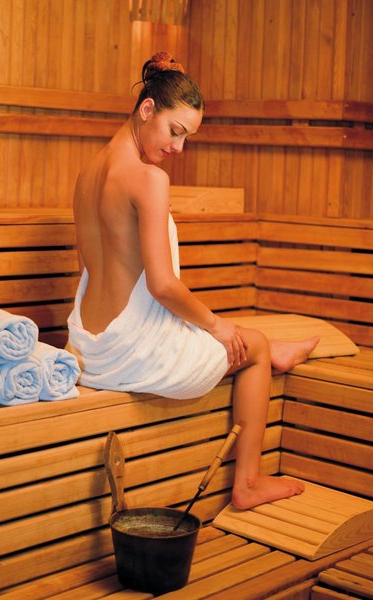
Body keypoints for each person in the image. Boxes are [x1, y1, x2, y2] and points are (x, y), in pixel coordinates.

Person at [67, 52, 319, 510]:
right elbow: (162, 286)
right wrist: (219, 326)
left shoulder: (87, 173)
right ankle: (248, 484)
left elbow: (91, 264)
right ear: (147, 109)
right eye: (175, 131)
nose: (178, 148)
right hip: (133, 357)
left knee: (240, 337)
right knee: (253, 346)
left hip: (89, 349)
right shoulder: (148, 179)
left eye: (186, 138)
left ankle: (273, 350)